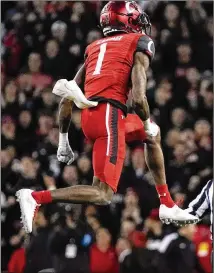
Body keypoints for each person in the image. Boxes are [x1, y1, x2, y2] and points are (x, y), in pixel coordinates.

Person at [16, 1, 198, 233]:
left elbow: (66, 98)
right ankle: (36, 197)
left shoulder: (94, 47)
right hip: (109, 115)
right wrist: (143, 121)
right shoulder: (138, 42)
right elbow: (139, 97)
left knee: (153, 134)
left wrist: (63, 141)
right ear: (126, 19)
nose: (140, 23)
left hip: (91, 117)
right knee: (102, 194)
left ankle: (166, 204)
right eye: (135, 18)